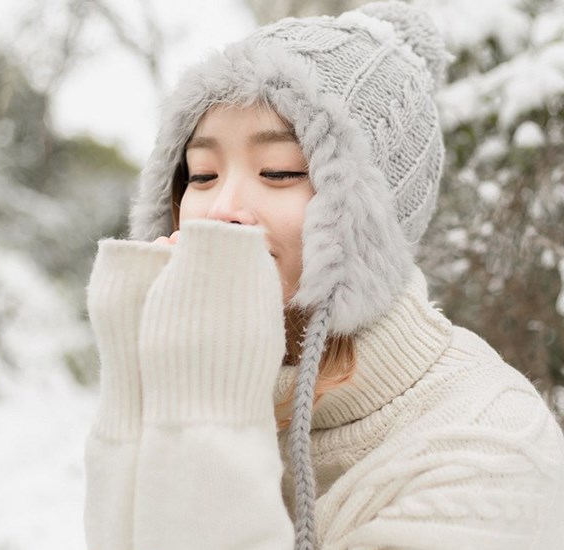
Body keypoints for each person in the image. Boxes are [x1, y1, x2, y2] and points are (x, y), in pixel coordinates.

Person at [83, 1, 564, 549]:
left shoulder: (488, 448)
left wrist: (205, 414)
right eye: (203, 174)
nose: (222, 210)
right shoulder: (200, 376)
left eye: (281, 171)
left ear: (371, 221)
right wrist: (138, 384)